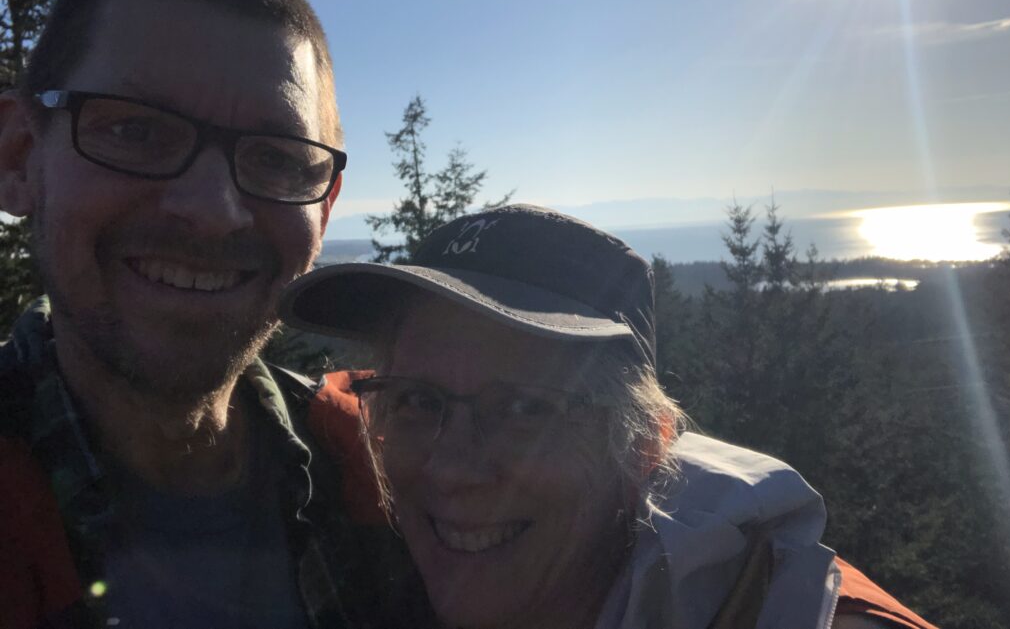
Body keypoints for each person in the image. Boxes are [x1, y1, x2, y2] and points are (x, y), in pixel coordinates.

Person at [0, 0, 427, 629]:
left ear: (323, 209)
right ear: (19, 157)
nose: (211, 211)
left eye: (278, 158)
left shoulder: (384, 480)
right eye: (135, 131)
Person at [280, 203, 940, 629]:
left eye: (526, 408)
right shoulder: (329, 464)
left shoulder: (767, 604)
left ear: (643, 445)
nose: (451, 468)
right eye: (419, 400)